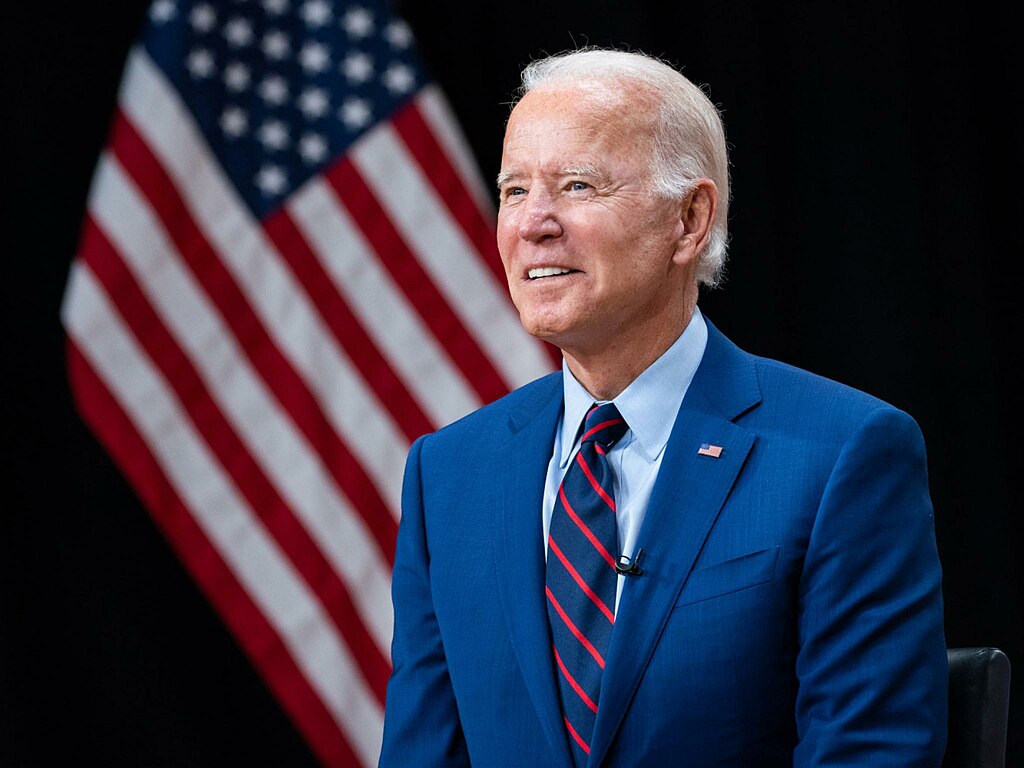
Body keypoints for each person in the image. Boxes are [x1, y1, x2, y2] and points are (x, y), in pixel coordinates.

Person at [379, 48, 947, 767]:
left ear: (690, 219)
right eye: (515, 189)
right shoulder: (449, 474)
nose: (533, 224)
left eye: (578, 185)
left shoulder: (843, 456)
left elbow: (870, 755)